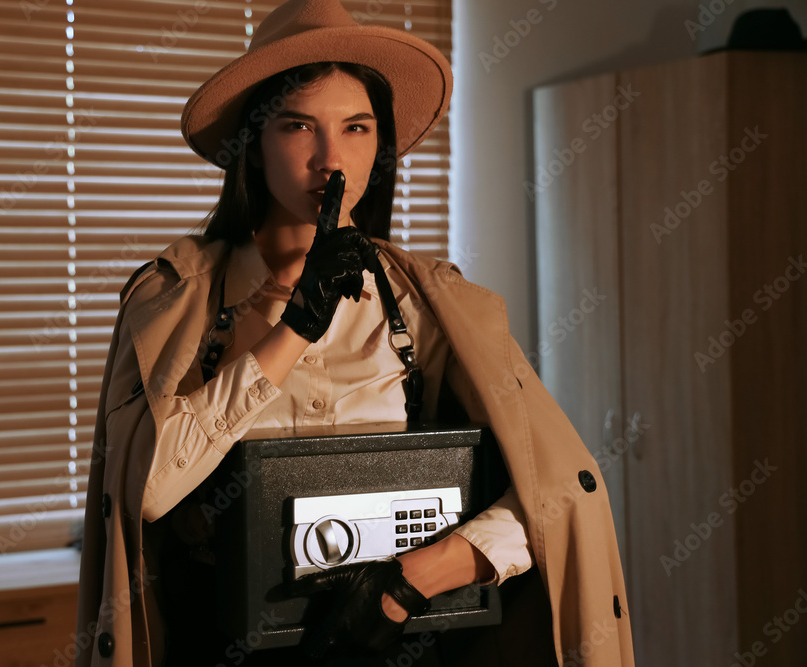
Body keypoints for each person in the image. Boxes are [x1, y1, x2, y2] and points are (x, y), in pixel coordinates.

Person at [75, 1, 634, 666]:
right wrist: (295, 328)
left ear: (381, 144)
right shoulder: (180, 299)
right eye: (297, 125)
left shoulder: (428, 304)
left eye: (357, 127)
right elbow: (146, 493)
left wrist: (411, 580)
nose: (330, 159)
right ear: (254, 140)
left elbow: (563, 489)